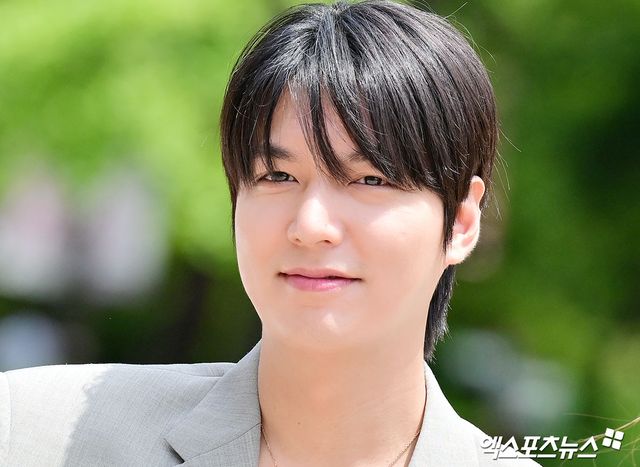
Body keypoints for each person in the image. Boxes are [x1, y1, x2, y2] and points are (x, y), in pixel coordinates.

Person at [0, 1, 541, 466]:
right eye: (277, 176)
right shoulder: (37, 433)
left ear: (462, 222)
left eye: (370, 179)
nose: (310, 226)